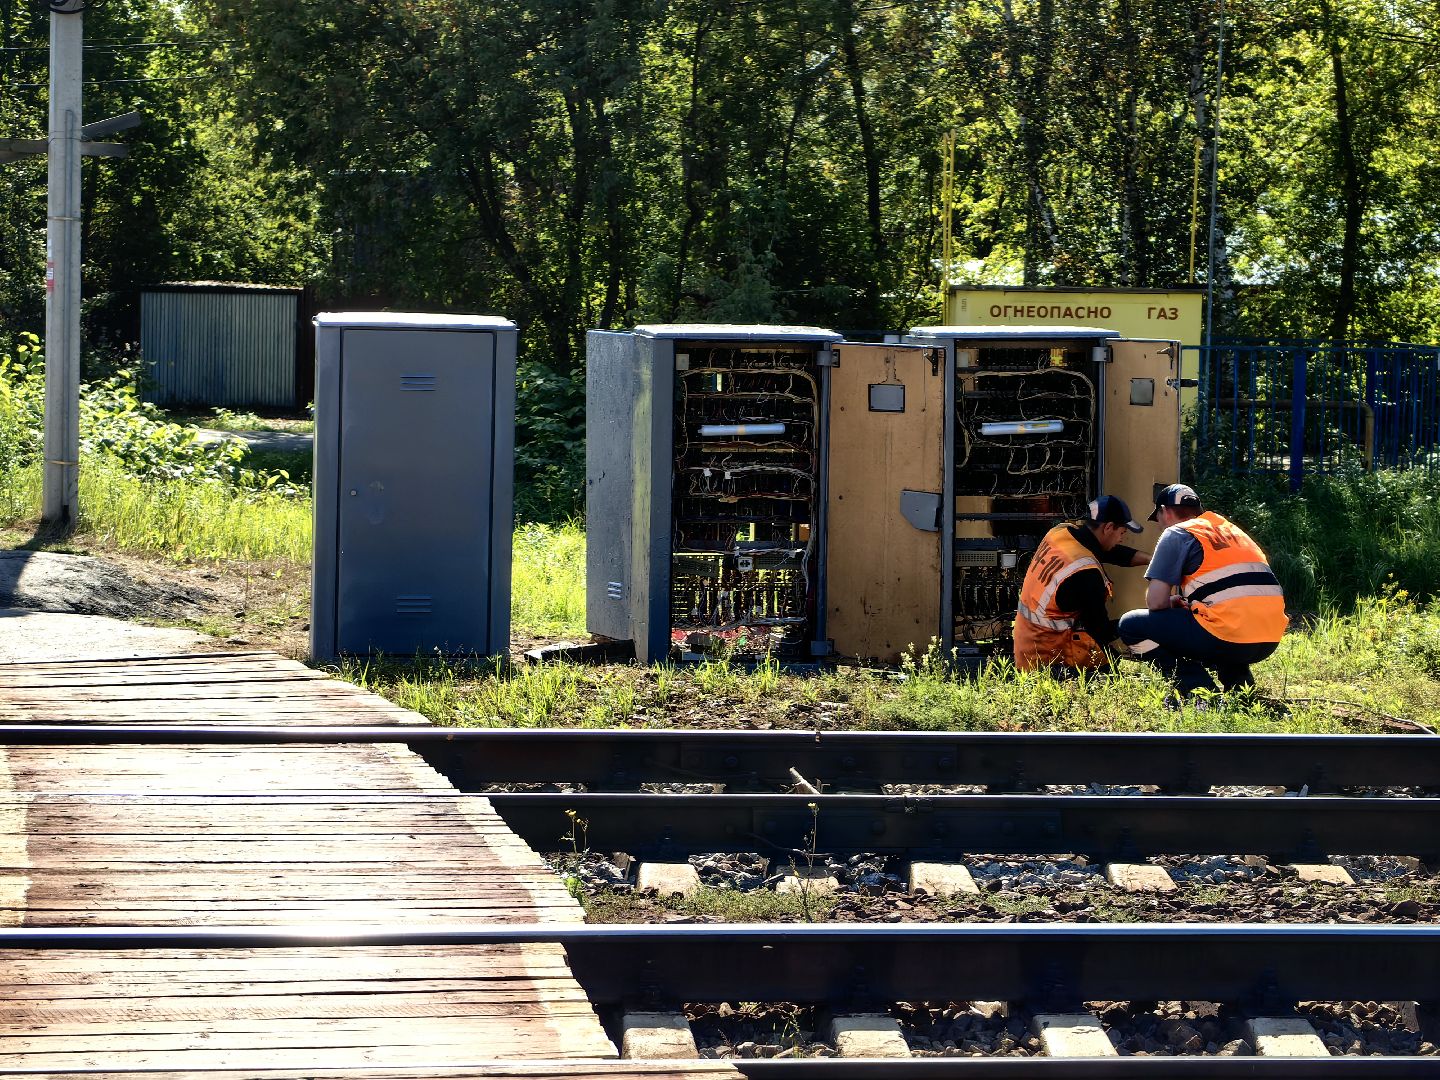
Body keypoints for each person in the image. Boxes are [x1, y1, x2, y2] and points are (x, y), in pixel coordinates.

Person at [1117, 484, 1287, 701]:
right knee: (1219, 619)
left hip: (1229, 635)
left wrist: (1171, 603)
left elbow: (1156, 602)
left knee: (1130, 625)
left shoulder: (1177, 533)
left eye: (1158, 519)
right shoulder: (1231, 530)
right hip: (1269, 638)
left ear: (1165, 512)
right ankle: (1241, 690)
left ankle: (1200, 691)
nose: (1160, 526)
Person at [1013, 495, 1151, 673]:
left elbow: (1112, 553)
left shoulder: (1060, 534)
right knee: (1111, 662)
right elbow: (1101, 631)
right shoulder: (1085, 573)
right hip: (1048, 660)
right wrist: (1142, 622)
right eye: (1122, 533)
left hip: (1026, 645)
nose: (1121, 539)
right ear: (1108, 527)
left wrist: (1153, 559)